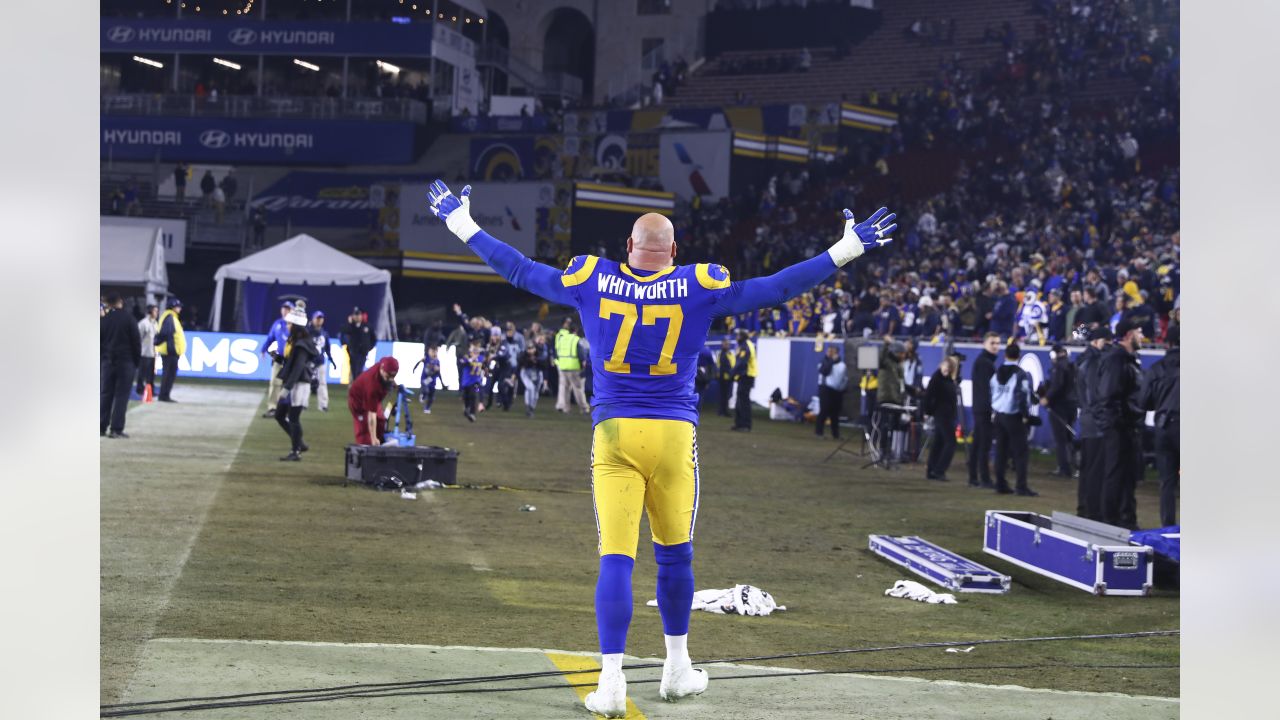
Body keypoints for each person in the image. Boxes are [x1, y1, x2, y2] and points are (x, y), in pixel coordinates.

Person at [427, 178, 895, 717]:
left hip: (615, 434)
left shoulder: (592, 278)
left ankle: (611, 682)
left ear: (627, 248)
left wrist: (460, 223)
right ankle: (676, 668)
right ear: (674, 251)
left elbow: (518, 269)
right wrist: (847, 247)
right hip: (674, 435)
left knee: (617, 561)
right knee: (676, 555)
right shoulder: (699, 282)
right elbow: (776, 289)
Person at [1095, 318, 1145, 529]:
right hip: (1118, 427)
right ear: (1127, 335)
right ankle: (1111, 521)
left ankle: (1127, 520)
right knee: (1115, 474)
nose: (1142, 336)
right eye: (1138, 332)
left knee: (1128, 475)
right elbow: (1108, 397)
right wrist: (1118, 423)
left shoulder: (1128, 359)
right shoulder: (1116, 360)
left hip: (1127, 426)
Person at [1140, 325, 1180, 527]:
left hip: (1163, 426)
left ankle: (1168, 527)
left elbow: (1144, 402)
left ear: (1168, 343)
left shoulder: (1157, 368)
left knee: (1167, 482)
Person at [990, 343, 1037, 496]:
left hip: (999, 415)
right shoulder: (1020, 373)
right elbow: (1022, 395)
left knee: (1001, 451)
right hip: (1014, 416)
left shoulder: (997, 372)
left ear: (1005, 355)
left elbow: (991, 390)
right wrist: (1025, 415)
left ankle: (1000, 484)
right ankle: (1021, 486)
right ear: (1019, 355)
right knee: (1021, 452)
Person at [1075, 325, 1111, 519]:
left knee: (1088, 467)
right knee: (1094, 469)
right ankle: (1091, 510)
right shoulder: (1093, 362)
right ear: (1097, 342)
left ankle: (1085, 508)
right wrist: (1102, 420)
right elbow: (1094, 396)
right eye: (1107, 341)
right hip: (1095, 422)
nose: (1110, 345)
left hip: (1088, 419)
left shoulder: (1085, 360)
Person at [275, 303, 319, 461]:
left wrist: (287, 388)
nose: (286, 325)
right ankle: (299, 443)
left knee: (293, 418)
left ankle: (296, 451)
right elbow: (291, 362)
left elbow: (298, 368)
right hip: (294, 383)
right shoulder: (295, 341)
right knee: (280, 415)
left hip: (299, 384)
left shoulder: (301, 344)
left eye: (289, 323)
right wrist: (278, 357)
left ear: (296, 326)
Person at [101, 294, 141, 438]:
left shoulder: (104, 320)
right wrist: (136, 362)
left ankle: (100, 427)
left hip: (107, 362)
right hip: (126, 362)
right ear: (120, 302)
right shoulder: (129, 319)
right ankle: (116, 429)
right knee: (121, 396)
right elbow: (136, 342)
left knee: (105, 394)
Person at [967, 332, 1001, 488]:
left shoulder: (986, 362)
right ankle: (984, 479)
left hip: (981, 407)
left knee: (978, 443)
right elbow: (986, 388)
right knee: (983, 444)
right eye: (992, 343)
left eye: (997, 343)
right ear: (985, 343)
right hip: (984, 408)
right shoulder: (984, 363)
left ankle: (974, 477)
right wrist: (993, 407)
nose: (995, 346)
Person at [1040, 344, 1078, 477]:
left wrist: (1047, 398)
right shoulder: (1073, 366)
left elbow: (1057, 385)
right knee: (1069, 438)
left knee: (1060, 439)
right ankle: (1075, 466)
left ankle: (1064, 468)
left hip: (1059, 406)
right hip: (1073, 406)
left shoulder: (1058, 367)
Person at [347, 357, 399, 446]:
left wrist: (394, 383)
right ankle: (366, 451)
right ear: (382, 370)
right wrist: (373, 438)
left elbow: (389, 375)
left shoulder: (383, 365)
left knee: (381, 421)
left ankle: (379, 444)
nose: (390, 379)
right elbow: (371, 416)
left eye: (393, 376)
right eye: (388, 376)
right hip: (358, 402)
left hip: (372, 398)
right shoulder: (372, 386)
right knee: (364, 431)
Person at [923, 355, 959, 481]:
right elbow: (928, 396)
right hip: (942, 415)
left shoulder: (948, 380)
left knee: (938, 443)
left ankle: (931, 470)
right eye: (945, 366)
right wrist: (926, 411)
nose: (946, 370)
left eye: (949, 368)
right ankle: (939, 470)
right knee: (951, 442)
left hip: (946, 415)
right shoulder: (937, 378)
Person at [260, 301, 294, 418]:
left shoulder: (295, 325)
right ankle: (272, 408)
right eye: (284, 308)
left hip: (291, 359)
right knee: (274, 383)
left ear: (292, 311)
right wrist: (263, 349)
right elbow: (270, 338)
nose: (285, 311)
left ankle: (289, 409)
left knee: (289, 384)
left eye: (288, 309)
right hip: (279, 359)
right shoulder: (277, 324)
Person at [554, 318, 590, 414]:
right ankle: (584, 408)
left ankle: (566, 408)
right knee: (578, 389)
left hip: (562, 366)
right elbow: (580, 353)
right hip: (574, 367)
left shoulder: (561, 338)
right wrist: (583, 363)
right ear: (576, 331)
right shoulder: (576, 339)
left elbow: (557, 351)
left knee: (565, 388)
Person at [153, 298, 185, 402]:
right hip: (170, 351)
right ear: (173, 307)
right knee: (168, 374)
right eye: (178, 306)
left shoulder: (171, 317)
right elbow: (166, 333)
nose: (180, 308)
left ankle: (165, 395)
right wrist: (172, 349)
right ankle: (164, 396)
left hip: (170, 351)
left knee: (169, 374)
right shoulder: (170, 317)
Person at [814, 345, 848, 439]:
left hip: (837, 390)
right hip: (825, 388)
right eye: (829, 351)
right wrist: (831, 361)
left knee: (835, 413)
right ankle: (819, 432)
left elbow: (844, 378)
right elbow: (825, 371)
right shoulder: (824, 362)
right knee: (824, 410)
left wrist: (842, 389)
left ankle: (835, 434)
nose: (830, 353)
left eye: (832, 352)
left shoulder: (842, 365)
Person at [309, 310, 336, 412]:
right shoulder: (307, 331)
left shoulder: (324, 333)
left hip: (320, 361)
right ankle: (302, 403)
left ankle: (323, 405)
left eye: (321, 318)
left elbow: (327, 348)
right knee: (305, 383)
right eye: (317, 318)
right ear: (313, 319)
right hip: (308, 361)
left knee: (322, 383)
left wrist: (331, 359)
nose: (319, 320)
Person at [731, 330, 757, 431]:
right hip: (743, 376)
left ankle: (746, 425)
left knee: (744, 401)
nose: (736, 337)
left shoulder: (746, 345)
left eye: (738, 335)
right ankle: (739, 424)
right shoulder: (744, 345)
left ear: (742, 336)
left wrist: (732, 373)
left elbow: (742, 362)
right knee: (740, 400)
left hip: (747, 375)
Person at [341, 307, 375, 380]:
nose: (357, 316)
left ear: (361, 316)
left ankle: (357, 385)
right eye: (355, 315)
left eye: (358, 315)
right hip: (352, 351)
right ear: (352, 316)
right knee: (354, 370)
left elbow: (373, 338)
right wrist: (349, 323)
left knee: (359, 370)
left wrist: (369, 347)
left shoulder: (367, 325)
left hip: (363, 352)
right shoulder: (350, 325)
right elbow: (343, 332)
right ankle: (354, 386)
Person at [135, 304, 158, 396]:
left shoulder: (155, 323)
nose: (157, 313)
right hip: (144, 352)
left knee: (151, 373)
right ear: (150, 311)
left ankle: (150, 390)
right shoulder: (143, 323)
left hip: (153, 352)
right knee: (142, 372)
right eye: (155, 311)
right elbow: (137, 337)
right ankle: (139, 389)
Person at [460, 341, 486, 422]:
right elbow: (462, 364)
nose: (475, 353)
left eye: (476, 351)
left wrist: (485, 370)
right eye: (473, 351)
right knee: (466, 397)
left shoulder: (481, 358)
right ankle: (467, 407)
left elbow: (484, 365)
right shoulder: (466, 358)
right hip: (466, 383)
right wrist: (471, 359)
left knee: (474, 394)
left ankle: (472, 413)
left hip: (475, 383)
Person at [413, 346, 441, 414]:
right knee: (426, 390)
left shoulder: (437, 361)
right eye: (431, 351)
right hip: (424, 379)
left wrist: (437, 371)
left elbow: (438, 373)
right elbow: (419, 362)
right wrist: (414, 368)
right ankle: (423, 395)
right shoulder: (426, 358)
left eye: (434, 351)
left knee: (431, 396)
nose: (433, 353)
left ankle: (427, 408)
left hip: (432, 381)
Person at [517, 345, 544, 417]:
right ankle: (529, 408)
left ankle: (531, 407)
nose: (531, 350)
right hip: (526, 373)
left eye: (532, 348)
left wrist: (536, 360)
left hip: (537, 374)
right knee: (530, 388)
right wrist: (529, 360)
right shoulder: (523, 355)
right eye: (529, 348)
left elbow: (544, 364)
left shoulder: (539, 354)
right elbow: (520, 362)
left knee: (536, 393)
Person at [715, 338, 734, 417]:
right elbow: (725, 367)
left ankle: (722, 411)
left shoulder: (728, 353)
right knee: (725, 395)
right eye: (726, 343)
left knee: (725, 395)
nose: (727, 345)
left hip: (726, 377)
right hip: (725, 378)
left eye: (728, 343)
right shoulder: (723, 354)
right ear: (722, 344)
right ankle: (723, 411)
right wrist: (731, 373)